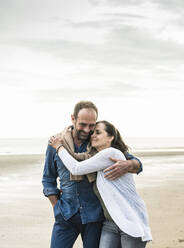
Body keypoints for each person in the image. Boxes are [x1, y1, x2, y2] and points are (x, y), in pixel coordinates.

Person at [42, 101, 143, 248]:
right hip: (66, 214)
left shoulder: (98, 143)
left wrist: (129, 164)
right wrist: (56, 207)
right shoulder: (56, 143)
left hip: (94, 216)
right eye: (83, 124)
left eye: (91, 125)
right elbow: (48, 179)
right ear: (73, 118)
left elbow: (136, 163)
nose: (87, 130)